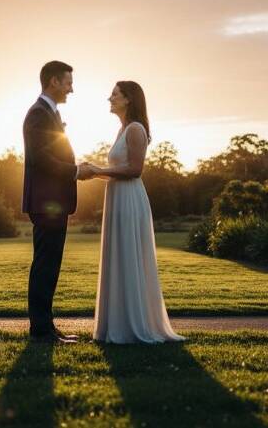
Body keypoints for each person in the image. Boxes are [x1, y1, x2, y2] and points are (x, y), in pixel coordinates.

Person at [85, 81, 185, 344]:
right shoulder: (121, 130)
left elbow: (134, 170)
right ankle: (117, 324)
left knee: (130, 254)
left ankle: (136, 325)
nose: (110, 98)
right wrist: (94, 174)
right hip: (117, 197)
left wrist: (96, 170)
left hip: (130, 199)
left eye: (115, 94)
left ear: (128, 99)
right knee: (119, 255)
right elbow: (119, 170)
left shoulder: (136, 129)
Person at [21, 60, 94, 343]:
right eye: (68, 83)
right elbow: (42, 160)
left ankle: (47, 328)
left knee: (49, 264)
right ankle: (40, 331)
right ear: (53, 81)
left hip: (52, 202)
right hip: (46, 202)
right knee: (45, 265)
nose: (71, 89)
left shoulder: (47, 113)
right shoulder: (38, 114)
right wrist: (76, 171)